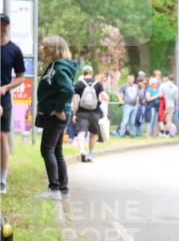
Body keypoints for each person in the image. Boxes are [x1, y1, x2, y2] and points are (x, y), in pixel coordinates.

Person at [35, 36, 76, 199]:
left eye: (45, 47)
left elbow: (67, 90)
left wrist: (58, 109)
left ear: (54, 49)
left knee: (47, 149)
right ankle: (62, 188)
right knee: (57, 151)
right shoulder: (56, 66)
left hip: (56, 115)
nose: (42, 50)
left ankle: (54, 189)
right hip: (57, 114)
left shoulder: (58, 68)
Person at [1, 13, 26, 194]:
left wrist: (6, 87)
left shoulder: (14, 50)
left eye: (5, 24)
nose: (2, 27)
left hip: (3, 97)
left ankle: (2, 178)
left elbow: (20, 78)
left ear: (8, 27)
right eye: (0, 24)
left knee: (2, 137)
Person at [72, 65, 107, 162]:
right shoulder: (98, 84)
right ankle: (90, 154)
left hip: (82, 112)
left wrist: (74, 113)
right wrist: (98, 99)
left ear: (83, 73)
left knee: (81, 132)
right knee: (93, 134)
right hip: (95, 113)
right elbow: (105, 98)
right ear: (91, 73)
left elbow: (75, 100)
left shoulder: (79, 84)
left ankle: (82, 150)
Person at [117, 73, 139, 137]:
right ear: (128, 79)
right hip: (127, 105)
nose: (131, 80)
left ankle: (132, 134)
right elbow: (118, 92)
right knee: (125, 121)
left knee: (132, 121)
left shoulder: (136, 86)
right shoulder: (124, 86)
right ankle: (122, 134)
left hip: (134, 106)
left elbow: (137, 95)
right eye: (130, 79)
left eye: (132, 79)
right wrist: (120, 99)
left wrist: (137, 104)